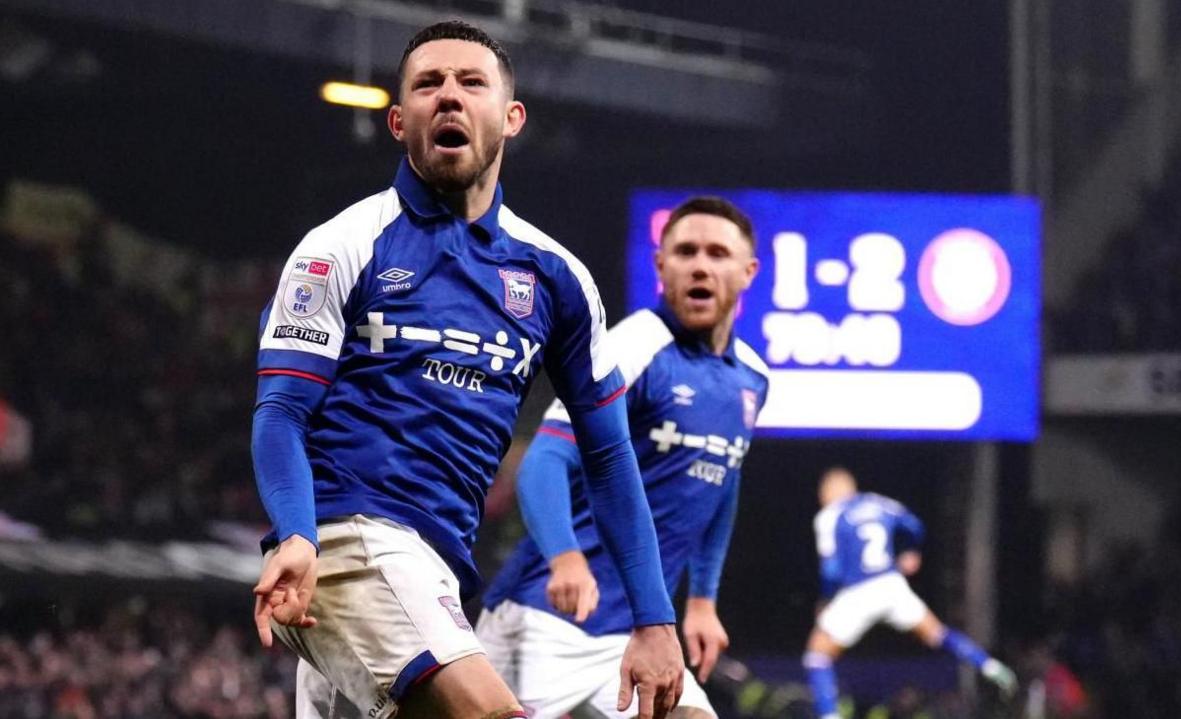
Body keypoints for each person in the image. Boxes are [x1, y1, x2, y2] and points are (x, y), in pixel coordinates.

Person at [251, 20, 683, 719]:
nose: (448, 97)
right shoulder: (340, 247)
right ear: (398, 121)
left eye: (471, 82)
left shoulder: (557, 278)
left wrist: (654, 616)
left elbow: (606, 452)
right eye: (428, 84)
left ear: (511, 118)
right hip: (345, 539)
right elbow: (281, 412)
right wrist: (297, 531)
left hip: (438, 566)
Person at [475, 196, 769, 718]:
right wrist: (565, 557)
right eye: (685, 252)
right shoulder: (631, 348)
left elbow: (722, 484)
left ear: (747, 272)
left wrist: (703, 600)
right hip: (548, 614)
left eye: (718, 254)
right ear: (661, 266)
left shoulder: (752, 377)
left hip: (637, 632)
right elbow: (544, 459)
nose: (700, 265)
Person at [802, 468, 1017, 719]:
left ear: (829, 492)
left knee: (817, 655)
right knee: (937, 633)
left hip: (857, 593)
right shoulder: (879, 502)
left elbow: (830, 568)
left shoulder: (830, 515)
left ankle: (829, 715)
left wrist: (826, 600)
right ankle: (988, 665)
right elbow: (914, 524)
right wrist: (909, 551)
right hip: (892, 586)